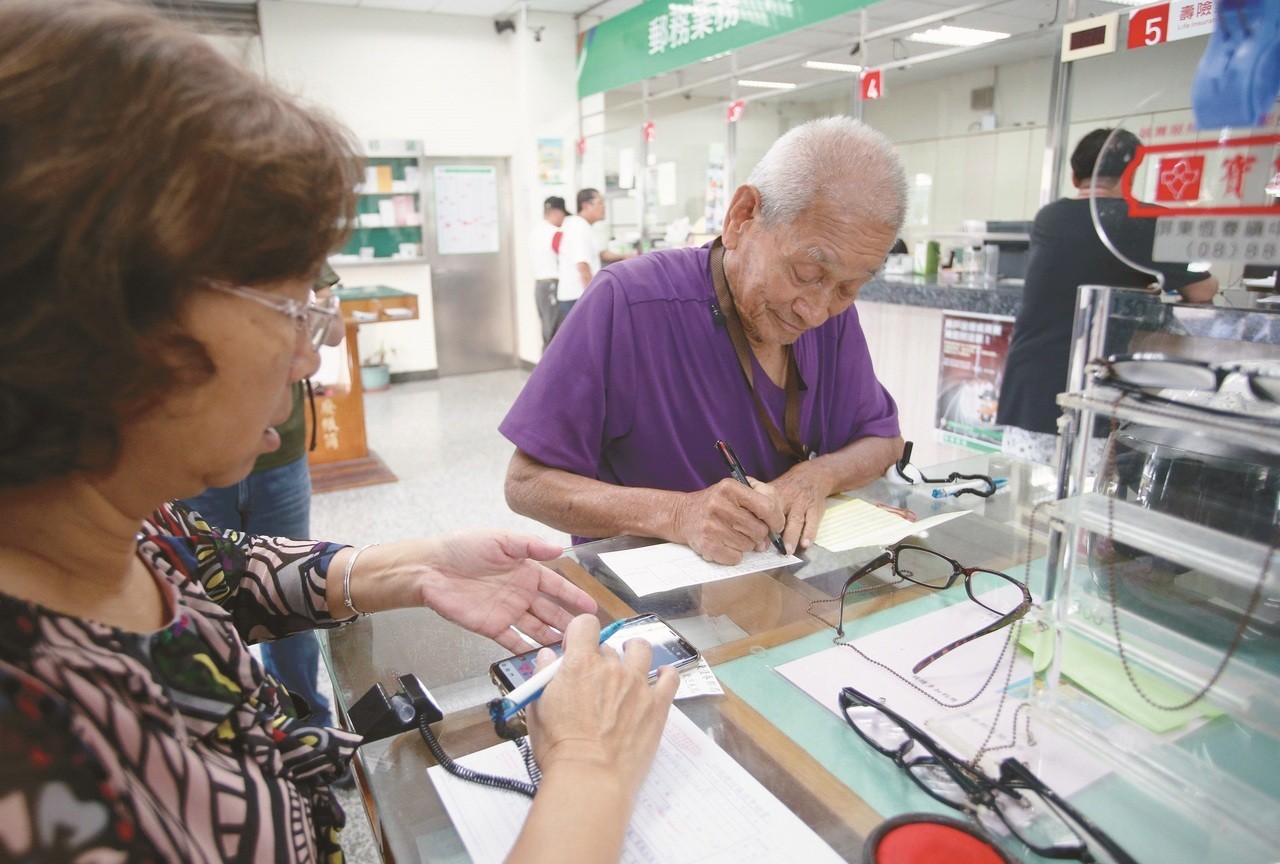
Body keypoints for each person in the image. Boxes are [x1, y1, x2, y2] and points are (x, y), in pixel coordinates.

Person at [0, 3, 676, 862]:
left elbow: (223, 571)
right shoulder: (29, 750)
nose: (306, 357)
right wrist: (589, 771)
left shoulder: (110, 515)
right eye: (288, 307)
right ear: (100, 314)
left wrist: (414, 566)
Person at [501, 117, 907, 565]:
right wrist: (677, 513)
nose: (815, 311)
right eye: (805, 274)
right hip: (647, 598)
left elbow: (883, 440)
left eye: (849, 288)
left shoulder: (833, 317)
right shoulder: (630, 303)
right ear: (742, 217)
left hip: (782, 591)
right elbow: (526, 484)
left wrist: (817, 476)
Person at [179, 264, 345, 749]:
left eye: (300, 320)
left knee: (282, 604)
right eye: (282, 316)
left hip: (281, 464)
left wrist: (407, 571)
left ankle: (305, 722)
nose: (304, 363)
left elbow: (257, 577)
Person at [996, 128, 1219, 465]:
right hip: (1095, 389)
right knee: (1085, 502)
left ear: (1075, 175)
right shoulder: (1147, 219)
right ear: (1131, 176)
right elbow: (1202, 291)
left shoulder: (1049, 217)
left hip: (1031, 385)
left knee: (1024, 498)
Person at [556, 188, 636, 323]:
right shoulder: (579, 228)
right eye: (600, 202)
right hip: (577, 296)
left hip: (578, 295)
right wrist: (592, 296)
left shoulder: (584, 226)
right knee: (585, 341)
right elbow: (583, 265)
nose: (604, 207)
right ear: (586, 205)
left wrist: (625, 256)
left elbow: (602, 254)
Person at [533, 195, 567, 347]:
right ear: (556, 212)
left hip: (540, 286)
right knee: (556, 333)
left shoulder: (535, 231)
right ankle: (551, 370)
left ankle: (544, 369)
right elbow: (565, 257)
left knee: (547, 331)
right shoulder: (556, 233)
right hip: (553, 286)